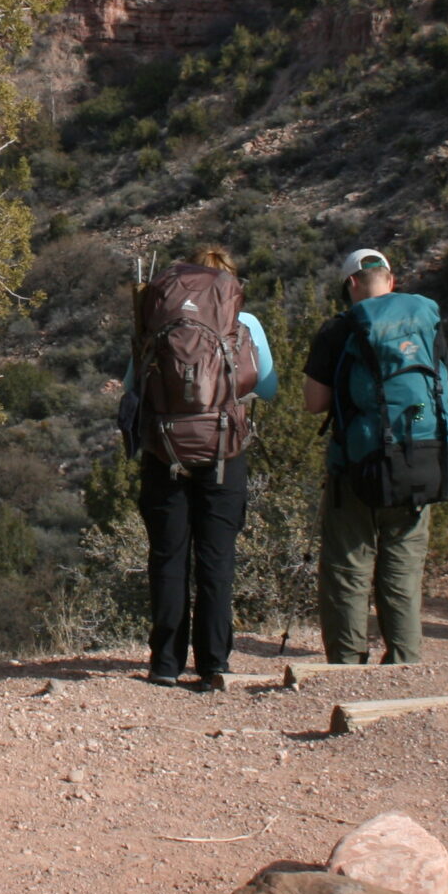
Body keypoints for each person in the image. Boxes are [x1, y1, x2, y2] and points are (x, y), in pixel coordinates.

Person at [303, 247, 448, 666]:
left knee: (348, 568)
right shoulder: (426, 323)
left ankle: (346, 663)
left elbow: (313, 402)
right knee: (403, 568)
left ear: (350, 284)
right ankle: (404, 661)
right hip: (423, 460)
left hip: (358, 467)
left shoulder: (338, 330)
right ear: (391, 279)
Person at [124, 244, 278, 692]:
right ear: (229, 286)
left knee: (169, 556)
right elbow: (267, 386)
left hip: (164, 450)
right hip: (223, 451)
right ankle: (214, 663)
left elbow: (135, 385)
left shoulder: (155, 317)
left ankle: (165, 663)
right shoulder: (244, 323)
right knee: (216, 558)